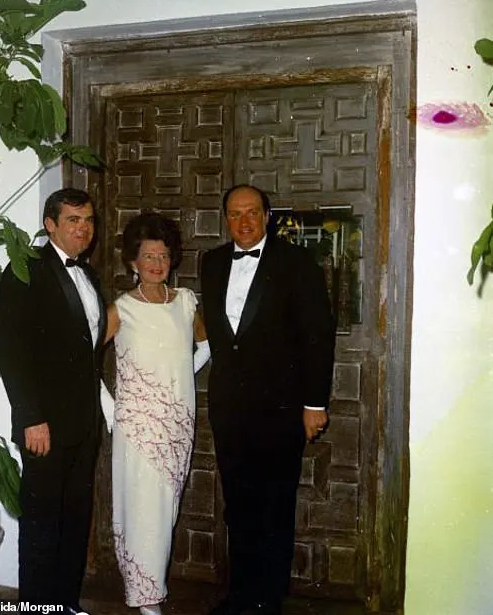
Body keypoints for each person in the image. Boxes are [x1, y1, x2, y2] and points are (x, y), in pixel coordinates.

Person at [201, 185, 336, 615]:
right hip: (229, 408)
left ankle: (267, 600)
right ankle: (241, 594)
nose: (244, 222)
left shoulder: (297, 262)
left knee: (275, 504)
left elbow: (318, 336)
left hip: (281, 408)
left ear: (268, 216)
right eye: (235, 214)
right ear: (226, 218)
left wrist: (314, 403)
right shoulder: (213, 262)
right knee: (238, 505)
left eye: (253, 213)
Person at [0, 188, 106, 615]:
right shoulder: (26, 270)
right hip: (43, 425)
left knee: (75, 519)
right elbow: (12, 350)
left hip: (83, 423)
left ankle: (67, 604)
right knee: (42, 524)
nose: (84, 229)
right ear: (50, 225)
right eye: (74, 220)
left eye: (89, 220)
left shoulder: (90, 276)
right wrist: (30, 417)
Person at [101, 212, 210, 615]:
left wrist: (181, 374)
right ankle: (147, 598)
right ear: (133, 261)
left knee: (167, 508)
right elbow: (84, 360)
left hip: (178, 421)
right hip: (136, 425)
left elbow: (205, 345)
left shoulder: (185, 302)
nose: (156, 263)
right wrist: (111, 409)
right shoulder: (120, 310)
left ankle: (152, 589)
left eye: (163, 256)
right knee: (144, 507)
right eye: (148, 256)